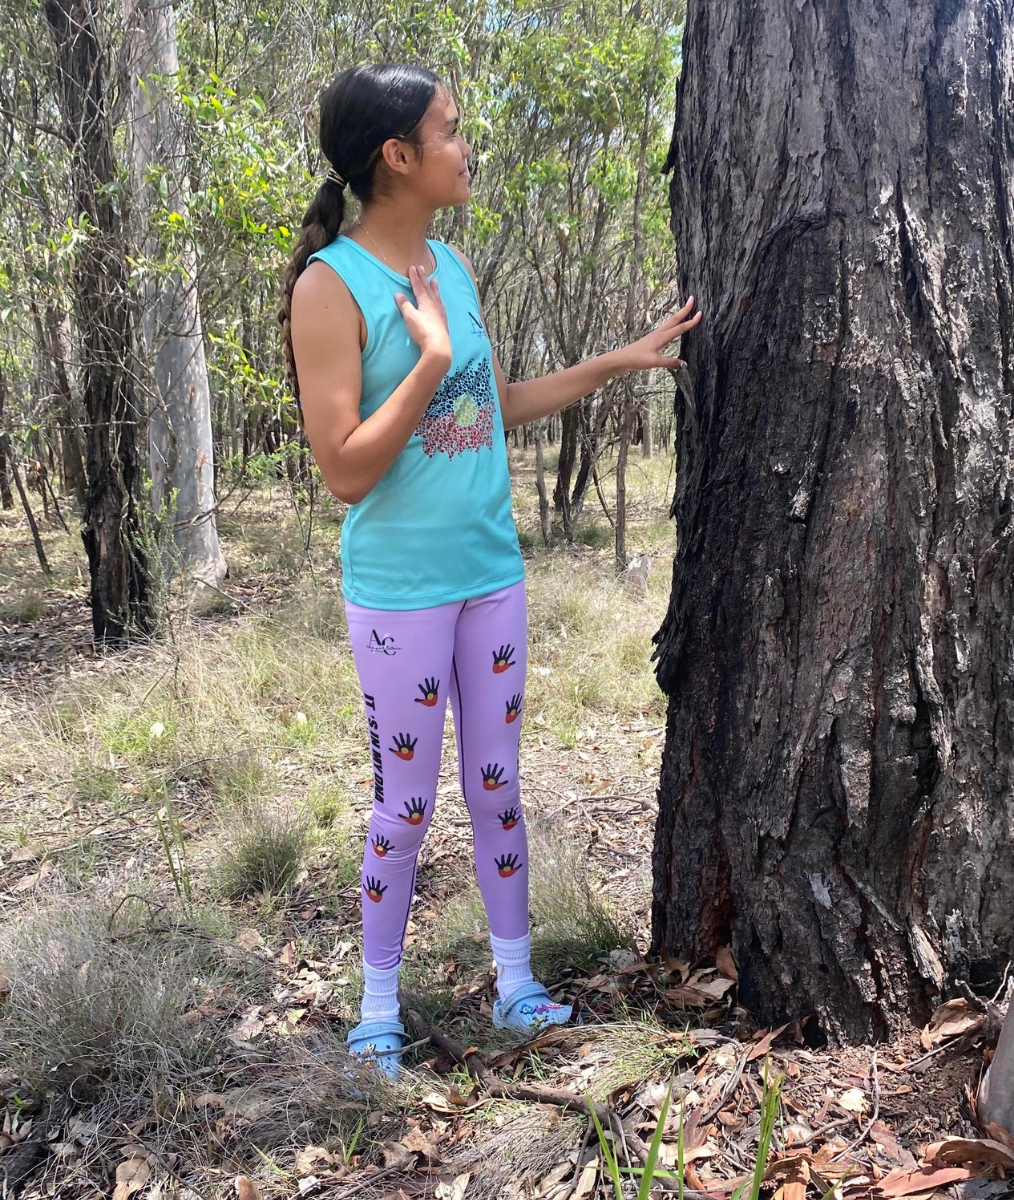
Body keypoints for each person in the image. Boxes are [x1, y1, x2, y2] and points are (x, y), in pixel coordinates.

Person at [279, 63, 701, 1078]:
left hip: (490, 575)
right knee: (406, 804)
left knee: (499, 784)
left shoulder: (452, 270)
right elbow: (342, 469)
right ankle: (377, 1010)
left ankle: (517, 986)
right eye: (453, 131)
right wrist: (422, 363)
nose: (467, 147)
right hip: (401, 592)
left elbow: (492, 403)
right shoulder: (330, 287)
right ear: (397, 155)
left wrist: (618, 359)